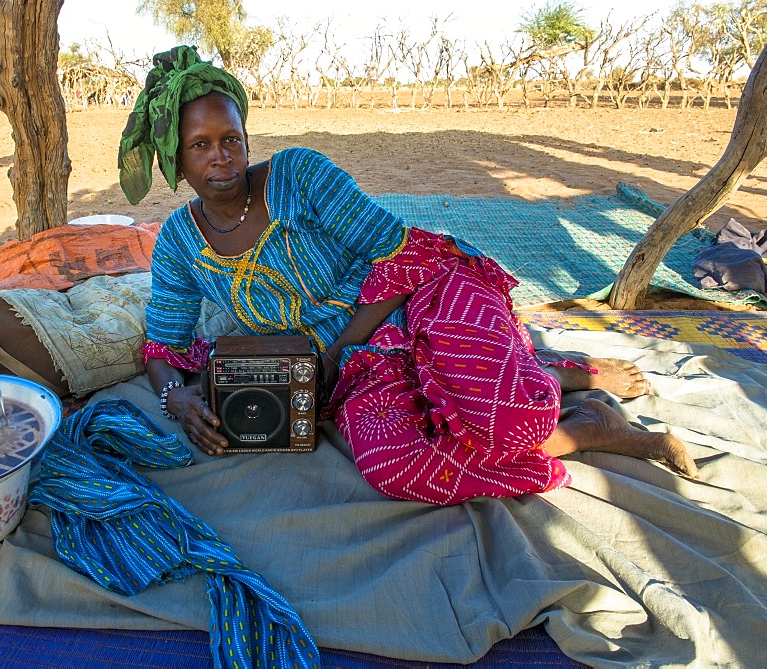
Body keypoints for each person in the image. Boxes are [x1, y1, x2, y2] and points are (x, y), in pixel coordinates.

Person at [119, 45, 700, 507]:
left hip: (422, 300)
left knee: (517, 418)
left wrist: (336, 348)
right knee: (397, 468)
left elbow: (400, 254)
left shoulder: (298, 175)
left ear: (246, 138)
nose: (222, 158)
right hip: (353, 374)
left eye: (231, 140)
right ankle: (590, 427)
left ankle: (578, 399)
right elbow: (162, 346)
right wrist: (179, 398)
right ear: (177, 159)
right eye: (201, 146)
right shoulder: (179, 241)